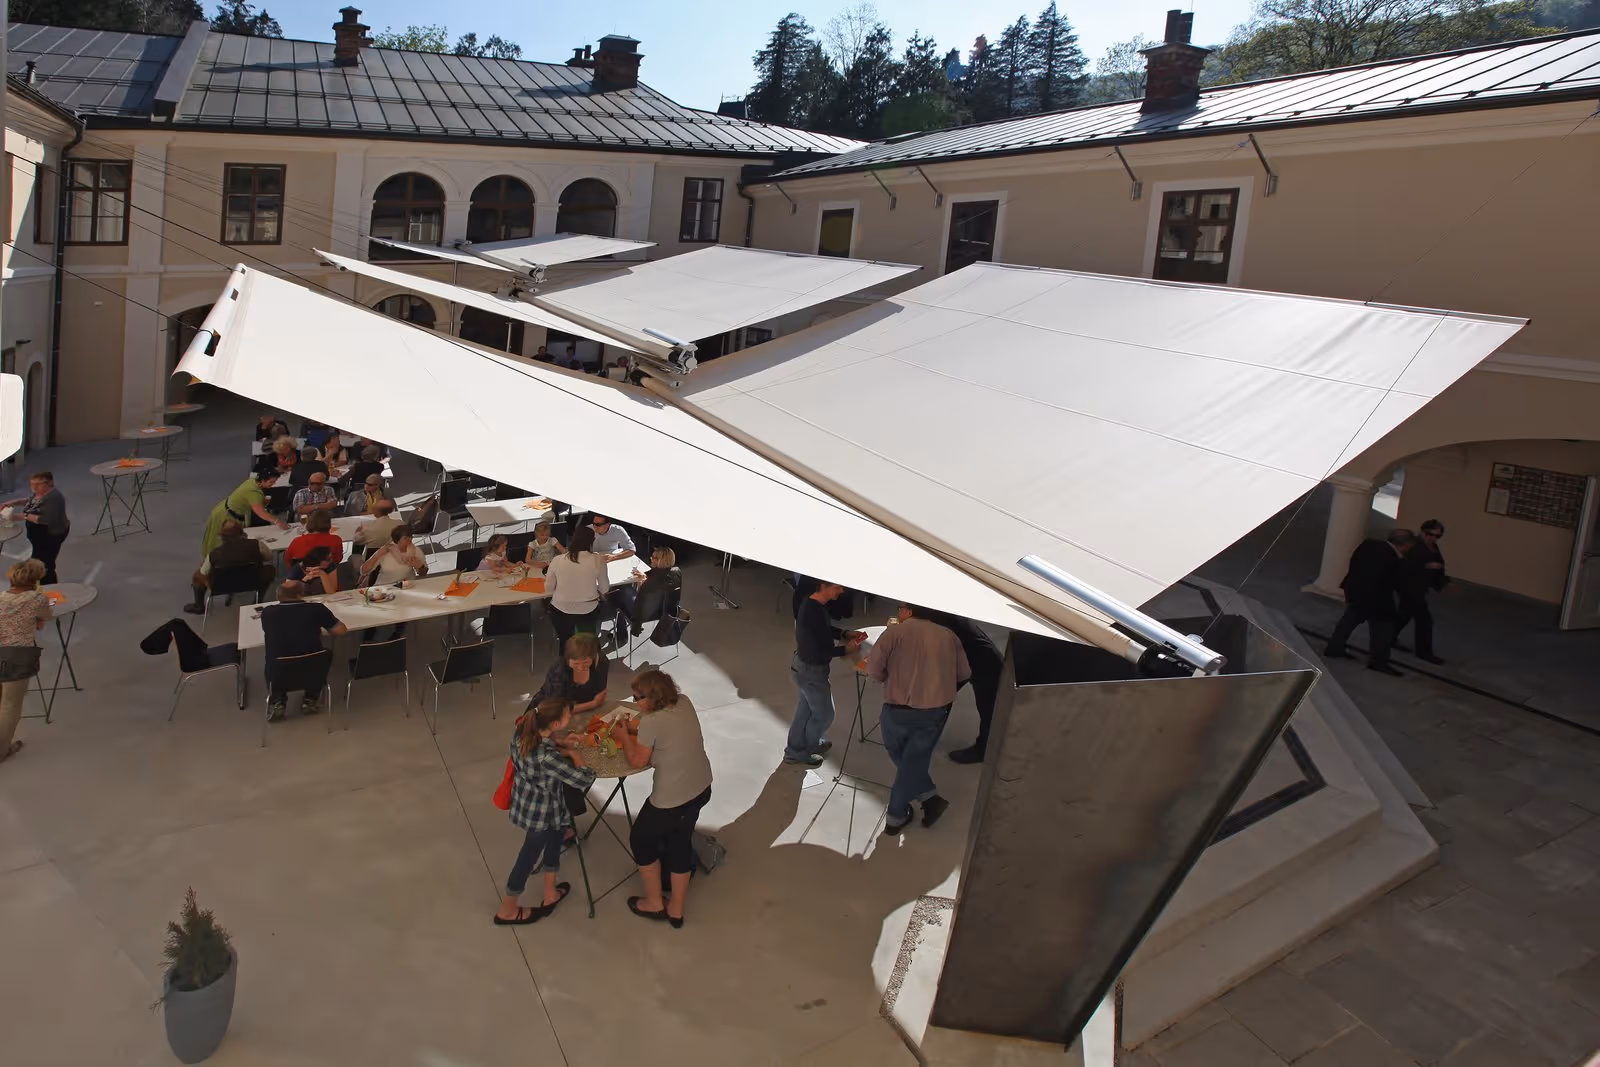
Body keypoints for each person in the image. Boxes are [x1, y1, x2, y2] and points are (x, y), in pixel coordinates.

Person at [613, 669, 712, 928]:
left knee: (640, 839)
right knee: (680, 841)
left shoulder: (652, 723)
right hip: (701, 787)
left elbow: (637, 760)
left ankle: (655, 902)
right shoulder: (684, 701)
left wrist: (624, 737)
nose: (634, 703)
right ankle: (676, 910)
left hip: (672, 799)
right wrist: (635, 727)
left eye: (637, 698)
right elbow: (657, 729)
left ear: (652, 698)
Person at [868, 604, 971, 834]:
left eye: (901, 609)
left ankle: (895, 817)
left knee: (902, 759)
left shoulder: (893, 633)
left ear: (908, 611)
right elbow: (964, 674)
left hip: (895, 709)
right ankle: (930, 798)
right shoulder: (949, 636)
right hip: (933, 711)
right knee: (911, 762)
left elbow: (874, 672)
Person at [494, 697, 592, 925]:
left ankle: (550, 893)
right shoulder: (546, 757)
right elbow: (582, 779)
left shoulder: (523, 731)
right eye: (567, 716)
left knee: (556, 839)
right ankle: (507, 908)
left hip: (533, 803)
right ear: (556, 724)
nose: (571, 717)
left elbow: (541, 750)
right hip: (542, 813)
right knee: (528, 857)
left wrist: (560, 745)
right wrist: (576, 756)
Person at [530, 632, 611, 826]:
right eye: (576, 663)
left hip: (578, 716)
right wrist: (590, 704)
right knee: (564, 763)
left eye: (587, 662)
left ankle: (568, 813)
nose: (582, 667)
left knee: (587, 754)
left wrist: (589, 712)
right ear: (568, 659)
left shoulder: (601, 663)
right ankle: (565, 818)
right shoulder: (558, 670)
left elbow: (600, 694)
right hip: (550, 716)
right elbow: (555, 709)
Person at [783, 580, 864, 768]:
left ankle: (793, 751)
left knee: (805, 711)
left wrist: (844, 633)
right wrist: (846, 650)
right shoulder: (815, 610)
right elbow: (819, 651)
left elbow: (820, 631)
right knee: (825, 714)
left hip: (802, 669)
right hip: (812, 673)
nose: (842, 590)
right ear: (823, 586)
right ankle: (805, 751)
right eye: (837, 586)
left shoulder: (812, 604)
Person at [1325, 528, 1416, 676]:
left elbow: (1354, 562)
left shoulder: (1369, 544)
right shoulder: (1394, 559)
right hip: (1376, 599)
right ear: (1405, 545)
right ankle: (1378, 662)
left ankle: (1334, 649)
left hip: (1356, 591)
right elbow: (1394, 582)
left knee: (1348, 621)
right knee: (1383, 631)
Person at [922, 610, 1005, 765]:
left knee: (989, 712)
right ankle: (925, 736)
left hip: (985, 665)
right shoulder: (938, 615)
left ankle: (983, 751)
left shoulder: (938, 618)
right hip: (966, 660)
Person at [260, 579, 348, 720]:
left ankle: (278, 701)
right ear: (301, 594)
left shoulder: (268, 613)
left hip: (280, 672)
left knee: (274, 658)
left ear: (278, 596)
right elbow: (341, 631)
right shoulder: (317, 609)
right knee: (319, 657)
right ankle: (310, 700)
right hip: (313, 670)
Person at [0, 560, 51, 764]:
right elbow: (45, 615)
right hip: (17, 656)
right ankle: (2, 750)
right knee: (9, 706)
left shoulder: (1, 597)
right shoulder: (37, 598)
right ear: (35, 580)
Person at [186, 519, 274, 615]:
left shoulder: (214, 554)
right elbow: (269, 557)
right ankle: (258, 600)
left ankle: (199, 606)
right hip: (253, 581)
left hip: (221, 586)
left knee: (197, 576)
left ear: (222, 536)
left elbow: (203, 573)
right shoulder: (256, 544)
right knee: (270, 569)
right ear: (242, 532)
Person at [545, 526, 610, 648]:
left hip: (560, 609)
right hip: (588, 610)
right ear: (592, 541)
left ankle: (565, 660)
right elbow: (604, 589)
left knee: (565, 642)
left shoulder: (557, 560)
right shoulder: (598, 560)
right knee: (585, 645)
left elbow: (548, 589)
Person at [1395, 519, 1448, 665]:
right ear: (1423, 532)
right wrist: (1428, 566)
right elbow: (1405, 568)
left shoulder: (1433, 547)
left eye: (1438, 536)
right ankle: (1424, 652)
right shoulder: (1414, 546)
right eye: (1431, 534)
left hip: (1418, 588)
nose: (1434, 538)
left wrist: (1442, 583)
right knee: (1425, 621)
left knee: (1404, 615)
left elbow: (1439, 566)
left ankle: (1387, 638)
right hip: (1410, 589)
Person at [202, 473, 287, 564]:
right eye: (271, 482)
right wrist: (277, 521)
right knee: (220, 541)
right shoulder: (254, 493)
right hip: (225, 515)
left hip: (224, 509)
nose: (273, 484)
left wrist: (260, 502)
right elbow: (260, 512)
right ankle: (213, 563)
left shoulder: (252, 482)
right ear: (263, 480)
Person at [1, 472, 70, 584]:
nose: (34, 487)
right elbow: (31, 501)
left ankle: (49, 588)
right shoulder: (40, 493)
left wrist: (24, 516)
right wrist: (13, 502)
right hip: (39, 537)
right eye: (32, 484)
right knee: (38, 561)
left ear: (50, 483)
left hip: (50, 536)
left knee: (45, 565)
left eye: (38, 484)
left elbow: (48, 519)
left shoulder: (54, 498)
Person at [620, 546, 682, 636]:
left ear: (660, 560)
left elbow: (640, 596)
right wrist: (645, 577)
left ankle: (621, 632)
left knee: (623, 590)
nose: (651, 559)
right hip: (668, 611)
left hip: (646, 613)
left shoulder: (653, 581)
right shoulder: (676, 572)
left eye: (653, 557)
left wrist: (642, 581)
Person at [286, 510, 344, 585]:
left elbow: (288, 561)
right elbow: (338, 559)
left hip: (300, 579)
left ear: (310, 523)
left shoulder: (297, 541)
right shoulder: (336, 540)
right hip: (328, 579)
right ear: (329, 524)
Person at [362, 526, 428, 586]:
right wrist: (378, 554)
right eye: (405, 538)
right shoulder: (386, 550)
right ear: (397, 540)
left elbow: (423, 573)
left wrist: (420, 567)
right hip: (385, 587)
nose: (410, 540)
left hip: (407, 586)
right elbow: (363, 571)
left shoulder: (415, 551)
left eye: (411, 537)